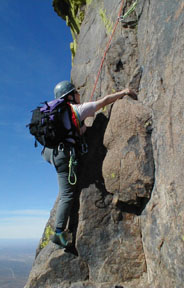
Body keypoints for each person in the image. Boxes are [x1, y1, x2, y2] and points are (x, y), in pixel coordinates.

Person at [42, 80, 136, 248]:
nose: (79, 94)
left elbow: (75, 131)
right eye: (75, 92)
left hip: (51, 153)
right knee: (67, 194)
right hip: (63, 155)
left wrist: (82, 128)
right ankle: (58, 232)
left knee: (65, 186)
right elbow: (105, 101)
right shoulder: (77, 109)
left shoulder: (60, 113)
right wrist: (124, 92)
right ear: (70, 96)